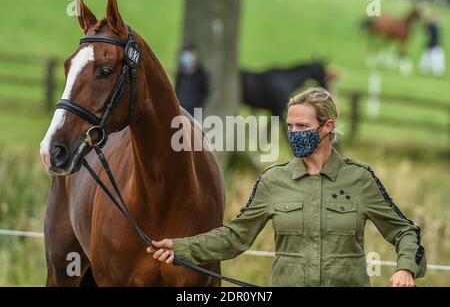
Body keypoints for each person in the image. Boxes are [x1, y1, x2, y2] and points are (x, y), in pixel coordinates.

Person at [147, 87, 426, 287]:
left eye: (302, 126)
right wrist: (180, 248)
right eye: (290, 126)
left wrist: (405, 268)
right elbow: (234, 237)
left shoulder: (360, 179)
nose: (293, 134)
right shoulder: (272, 181)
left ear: (327, 127)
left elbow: (405, 230)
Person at [175, 43, 209, 116]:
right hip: (182, 108)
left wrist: (198, 104)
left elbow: (205, 91)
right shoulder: (180, 73)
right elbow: (177, 88)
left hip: (195, 110)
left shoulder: (201, 73)